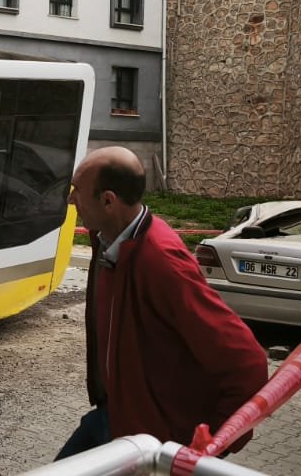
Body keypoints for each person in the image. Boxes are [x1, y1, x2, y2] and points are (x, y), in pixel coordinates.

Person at [54, 147, 268, 461]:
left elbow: (247, 363)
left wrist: (208, 447)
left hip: (150, 440)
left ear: (108, 201)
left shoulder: (162, 261)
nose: (71, 199)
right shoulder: (112, 241)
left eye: (78, 191)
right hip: (115, 417)